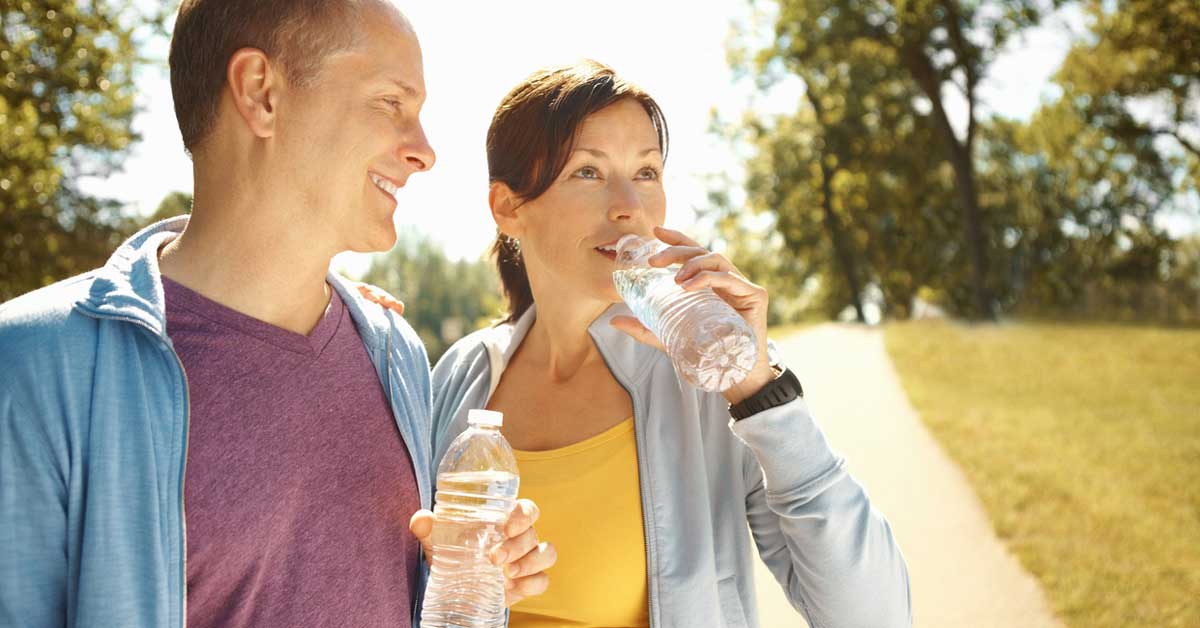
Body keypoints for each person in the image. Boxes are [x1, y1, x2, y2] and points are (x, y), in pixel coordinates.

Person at [0, 2, 552, 627]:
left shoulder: (396, 355)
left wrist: (470, 586)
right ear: (261, 93)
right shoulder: (33, 372)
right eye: (391, 103)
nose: (424, 151)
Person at [428, 60, 912, 628]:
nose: (628, 205)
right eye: (588, 172)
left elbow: (873, 614)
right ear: (509, 208)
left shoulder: (710, 376)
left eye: (648, 172)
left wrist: (760, 392)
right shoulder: (459, 376)